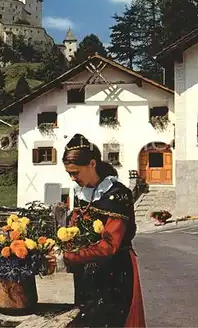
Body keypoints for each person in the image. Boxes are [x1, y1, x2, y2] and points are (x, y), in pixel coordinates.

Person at [59, 133, 146, 327]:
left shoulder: (117, 194)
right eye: (69, 174)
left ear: (92, 164)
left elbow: (109, 245)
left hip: (114, 271)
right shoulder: (81, 193)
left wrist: (67, 257)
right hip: (86, 272)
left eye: (75, 172)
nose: (73, 178)